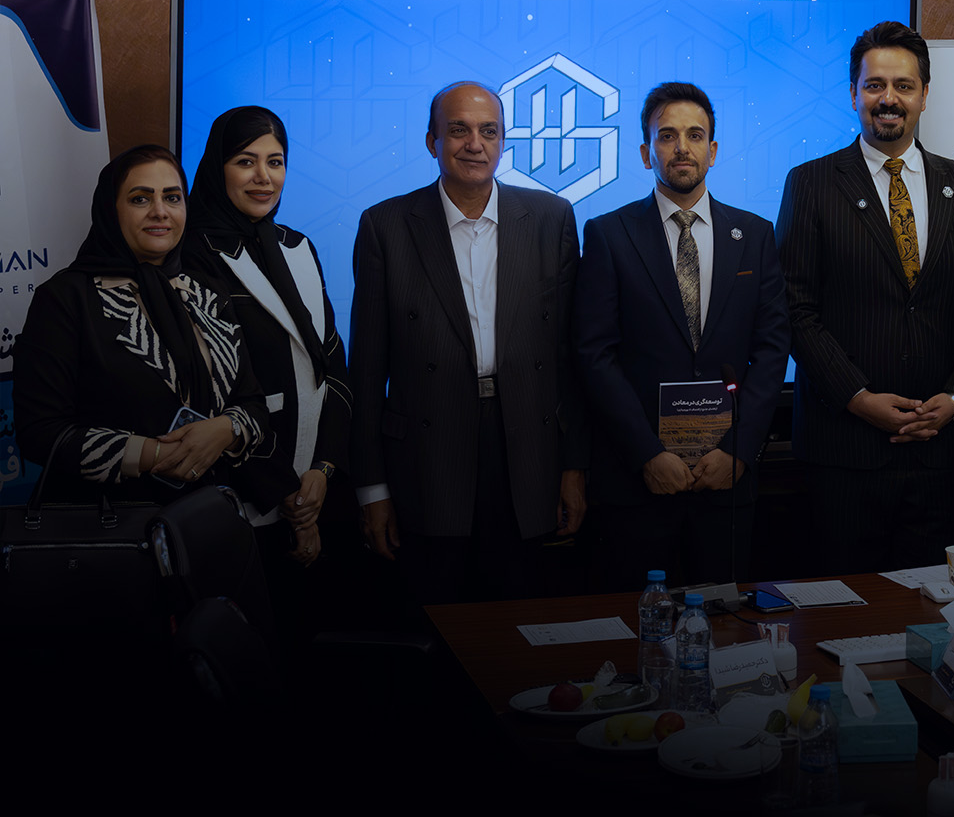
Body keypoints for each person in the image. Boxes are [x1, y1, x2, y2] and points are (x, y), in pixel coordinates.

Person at [350, 81, 588, 603]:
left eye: (488, 131)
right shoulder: (386, 226)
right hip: (426, 459)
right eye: (458, 130)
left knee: (519, 619)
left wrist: (573, 467)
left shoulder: (551, 219)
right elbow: (366, 371)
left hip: (527, 451)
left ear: (503, 142)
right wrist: (371, 488)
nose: (474, 144)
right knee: (437, 615)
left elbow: (569, 359)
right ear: (432, 140)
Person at [775, 21, 954, 574]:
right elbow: (795, 309)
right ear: (853, 93)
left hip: (942, 455)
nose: (888, 99)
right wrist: (858, 397)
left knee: (937, 611)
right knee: (844, 610)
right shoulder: (811, 184)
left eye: (903, 85)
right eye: (874, 85)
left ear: (924, 94)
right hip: (843, 453)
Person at [573, 82, 789, 590]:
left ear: (712, 150)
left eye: (694, 135)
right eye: (667, 136)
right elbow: (594, 355)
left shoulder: (754, 235)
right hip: (639, 482)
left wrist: (739, 450)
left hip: (726, 478)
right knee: (640, 625)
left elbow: (772, 348)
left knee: (726, 623)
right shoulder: (608, 235)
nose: (681, 148)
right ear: (645, 151)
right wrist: (646, 454)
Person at [15, 146, 273, 503]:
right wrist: (155, 455)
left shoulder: (207, 292)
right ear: (111, 210)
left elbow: (253, 403)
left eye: (172, 197)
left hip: (207, 514)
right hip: (110, 521)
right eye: (140, 199)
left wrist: (226, 430)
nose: (160, 212)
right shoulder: (66, 298)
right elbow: (39, 433)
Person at [183, 107, 349, 573]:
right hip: (239, 499)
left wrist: (323, 469)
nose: (264, 177)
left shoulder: (298, 246)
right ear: (217, 168)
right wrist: (287, 496)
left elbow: (333, 365)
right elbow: (212, 396)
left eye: (275, 162)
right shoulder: (189, 255)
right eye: (245, 161)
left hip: (317, 484)